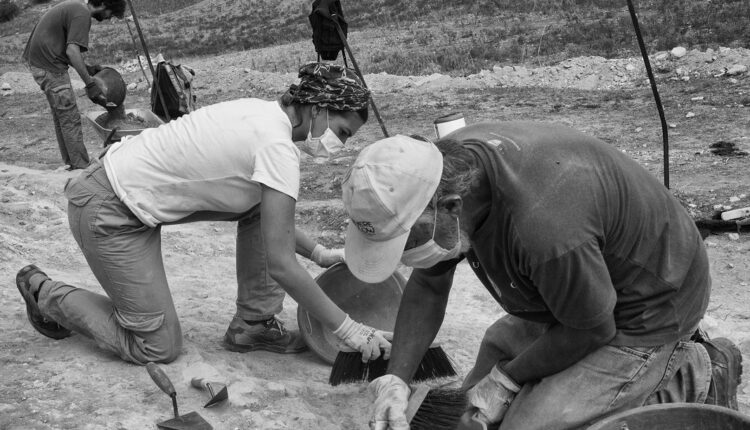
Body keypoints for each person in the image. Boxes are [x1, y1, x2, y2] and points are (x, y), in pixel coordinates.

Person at [340, 124, 743, 430]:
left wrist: (506, 380)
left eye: (408, 242)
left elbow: (593, 328)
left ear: (451, 207)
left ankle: (696, 370)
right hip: (585, 281)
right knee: (487, 374)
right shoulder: (444, 169)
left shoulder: (544, 228)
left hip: (648, 306)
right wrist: (397, 377)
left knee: (526, 424)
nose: (407, 257)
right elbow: (429, 283)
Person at [15, 62, 392, 366]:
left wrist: (319, 254)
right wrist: (347, 329)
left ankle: (253, 326)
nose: (338, 145)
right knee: (158, 346)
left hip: (124, 198)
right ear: (317, 108)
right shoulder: (276, 147)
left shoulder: (261, 113)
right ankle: (45, 292)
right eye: (342, 132)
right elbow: (280, 263)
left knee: (260, 206)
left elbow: (273, 222)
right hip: (108, 212)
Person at [22, 0, 127, 171]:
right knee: (70, 117)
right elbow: (72, 51)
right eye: (111, 14)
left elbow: (66, 50)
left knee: (62, 117)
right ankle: (81, 168)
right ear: (104, 5)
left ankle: (71, 163)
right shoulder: (82, 14)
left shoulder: (76, 8)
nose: (109, 19)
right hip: (50, 67)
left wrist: (89, 69)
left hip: (40, 63)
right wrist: (90, 84)